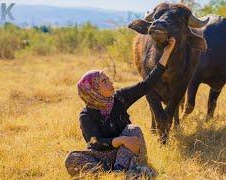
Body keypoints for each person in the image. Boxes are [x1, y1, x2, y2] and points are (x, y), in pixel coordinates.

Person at [64, 37, 176, 176]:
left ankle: (119, 171)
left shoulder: (119, 98)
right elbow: (95, 142)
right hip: (105, 156)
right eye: (104, 81)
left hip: (128, 150)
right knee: (71, 158)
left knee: (133, 129)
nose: (111, 83)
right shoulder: (86, 115)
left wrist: (166, 53)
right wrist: (120, 140)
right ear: (93, 90)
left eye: (108, 79)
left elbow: (147, 85)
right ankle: (120, 173)